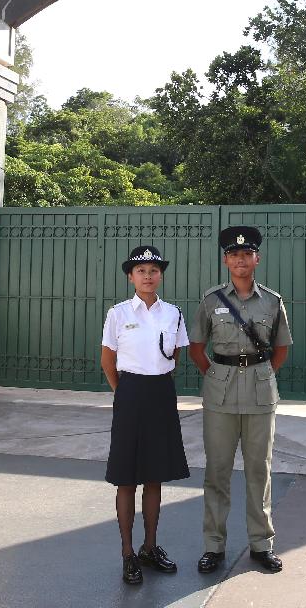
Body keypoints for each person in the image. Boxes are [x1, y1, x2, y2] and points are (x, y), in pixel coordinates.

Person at [189, 225, 293, 574]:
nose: (240, 260)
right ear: (225, 260)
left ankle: (261, 544)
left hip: (261, 395)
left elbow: (281, 348)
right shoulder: (211, 300)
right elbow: (196, 347)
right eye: (234, 254)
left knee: (258, 471)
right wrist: (218, 375)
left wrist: (262, 374)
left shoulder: (272, 301)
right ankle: (214, 546)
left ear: (256, 259)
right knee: (217, 472)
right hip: (220, 396)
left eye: (246, 254)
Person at [101, 245, 190, 586]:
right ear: (130, 276)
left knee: (155, 476)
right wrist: (123, 393)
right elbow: (108, 361)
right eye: (141, 271)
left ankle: (149, 547)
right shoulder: (119, 314)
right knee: (127, 477)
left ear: (161, 275)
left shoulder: (173, 313)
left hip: (161, 393)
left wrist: (154, 385)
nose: (148, 276)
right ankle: (128, 554)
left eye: (154, 270)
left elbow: (175, 356)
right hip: (131, 393)